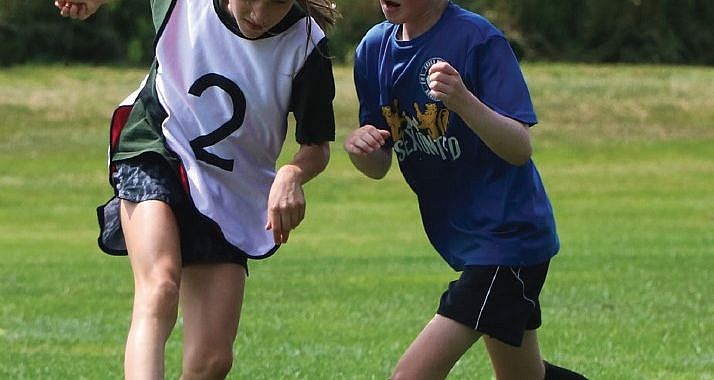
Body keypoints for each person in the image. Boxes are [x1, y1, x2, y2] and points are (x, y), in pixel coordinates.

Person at [55, 0, 339, 378]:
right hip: (156, 147)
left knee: (212, 360)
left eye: (273, 4)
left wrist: (291, 174)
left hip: (231, 187)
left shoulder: (306, 44)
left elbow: (316, 147)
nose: (257, 14)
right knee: (159, 286)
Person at [345, 1, 587, 379]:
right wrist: (362, 150)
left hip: (509, 240)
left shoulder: (477, 40)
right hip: (469, 244)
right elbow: (378, 164)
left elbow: (519, 148)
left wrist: (462, 100)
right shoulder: (373, 49)